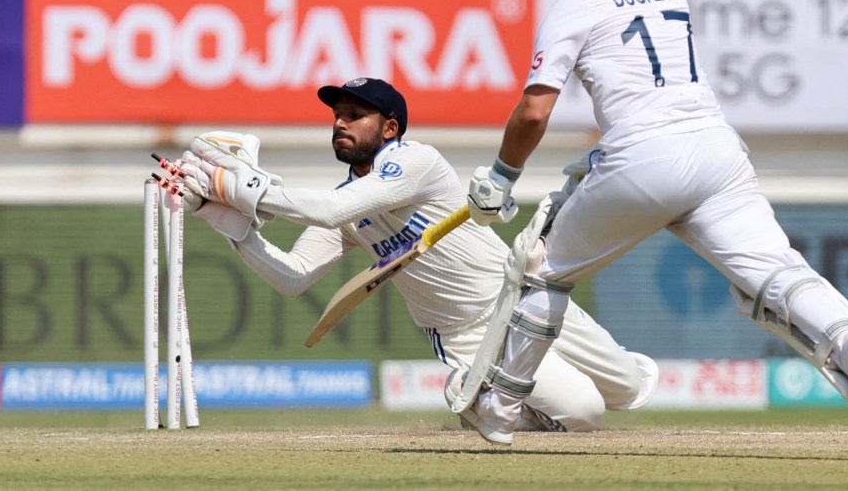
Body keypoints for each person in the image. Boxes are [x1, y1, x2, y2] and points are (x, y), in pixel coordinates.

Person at [461, 0, 848, 445]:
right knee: (777, 272)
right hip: (717, 149)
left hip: (642, 157)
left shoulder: (576, 1)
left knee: (542, 269)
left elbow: (532, 112)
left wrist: (501, 177)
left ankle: (501, 407)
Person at [168, 78, 659, 433]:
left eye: (354, 115)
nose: (339, 122)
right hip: (466, 335)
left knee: (630, 390)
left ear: (389, 128)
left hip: (523, 297)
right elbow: (293, 277)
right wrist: (231, 225)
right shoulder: (345, 209)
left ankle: (517, 393)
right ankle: (477, 397)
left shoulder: (416, 161)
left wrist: (230, 185)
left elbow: (330, 207)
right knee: (586, 413)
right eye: (337, 115)